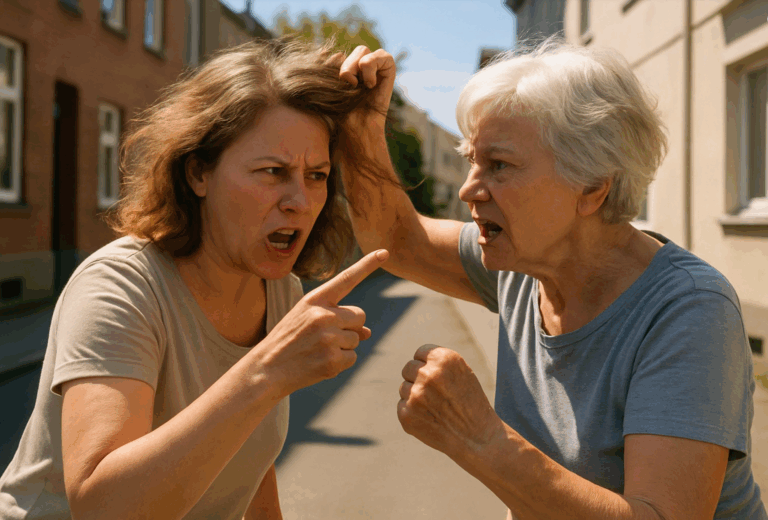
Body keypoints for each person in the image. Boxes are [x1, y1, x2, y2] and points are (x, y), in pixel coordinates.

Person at [338, 39, 767, 519]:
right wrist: (360, 126)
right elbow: (397, 240)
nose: (468, 189)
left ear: (592, 187)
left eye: (499, 166)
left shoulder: (690, 311)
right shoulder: (523, 263)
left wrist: (481, 439)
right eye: (472, 161)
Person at [0, 38, 390, 520]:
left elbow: (246, 464)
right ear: (198, 173)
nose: (301, 201)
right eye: (273, 171)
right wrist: (266, 371)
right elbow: (102, 508)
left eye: (317, 175)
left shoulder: (280, 290)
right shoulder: (120, 288)